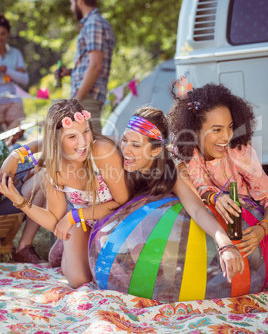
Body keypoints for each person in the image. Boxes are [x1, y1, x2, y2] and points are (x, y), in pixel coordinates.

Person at [1, 105, 244, 285]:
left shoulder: (171, 171)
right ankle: (65, 248)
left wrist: (225, 244)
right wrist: (17, 155)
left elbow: (196, 208)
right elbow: (58, 138)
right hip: (94, 214)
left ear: (156, 149)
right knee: (79, 280)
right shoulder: (111, 150)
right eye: (125, 140)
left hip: (122, 223)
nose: (126, 150)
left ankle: (75, 248)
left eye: (136, 145)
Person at [0, 98, 129, 288]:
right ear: (57, 140)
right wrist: (18, 200)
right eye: (72, 137)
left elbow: (122, 200)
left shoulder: (102, 152)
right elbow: (54, 220)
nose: (83, 142)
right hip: (81, 222)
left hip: (114, 217)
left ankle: (67, 249)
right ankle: (68, 249)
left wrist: (74, 215)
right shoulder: (56, 167)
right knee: (79, 281)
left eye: (86, 131)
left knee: (113, 279)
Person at [169, 82, 268, 257]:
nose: (226, 136)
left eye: (230, 127)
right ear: (195, 131)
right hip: (205, 239)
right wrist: (215, 197)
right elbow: (195, 190)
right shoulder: (186, 154)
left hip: (248, 230)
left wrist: (262, 229)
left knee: (253, 260)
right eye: (217, 130)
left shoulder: (240, 151)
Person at [55, 0, 115, 133]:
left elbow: (95, 66)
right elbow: (90, 62)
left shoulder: (93, 23)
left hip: (87, 96)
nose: (71, 7)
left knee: (92, 146)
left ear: (79, 1)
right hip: (86, 95)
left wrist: (78, 97)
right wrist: (70, 72)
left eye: (71, 3)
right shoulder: (92, 24)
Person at [0, 140, 46, 263]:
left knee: (44, 176)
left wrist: (28, 174)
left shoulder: (2, 147)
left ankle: (23, 248)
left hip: (7, 197)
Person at [0, 15, 29, 131]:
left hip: (13, 101)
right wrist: (15, 73)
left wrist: (6, 70)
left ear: (8, 34)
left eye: (3, 33)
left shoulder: (16, 54)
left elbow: (24, 80)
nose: (0, 37)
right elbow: (19, 76)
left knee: (16, 134)